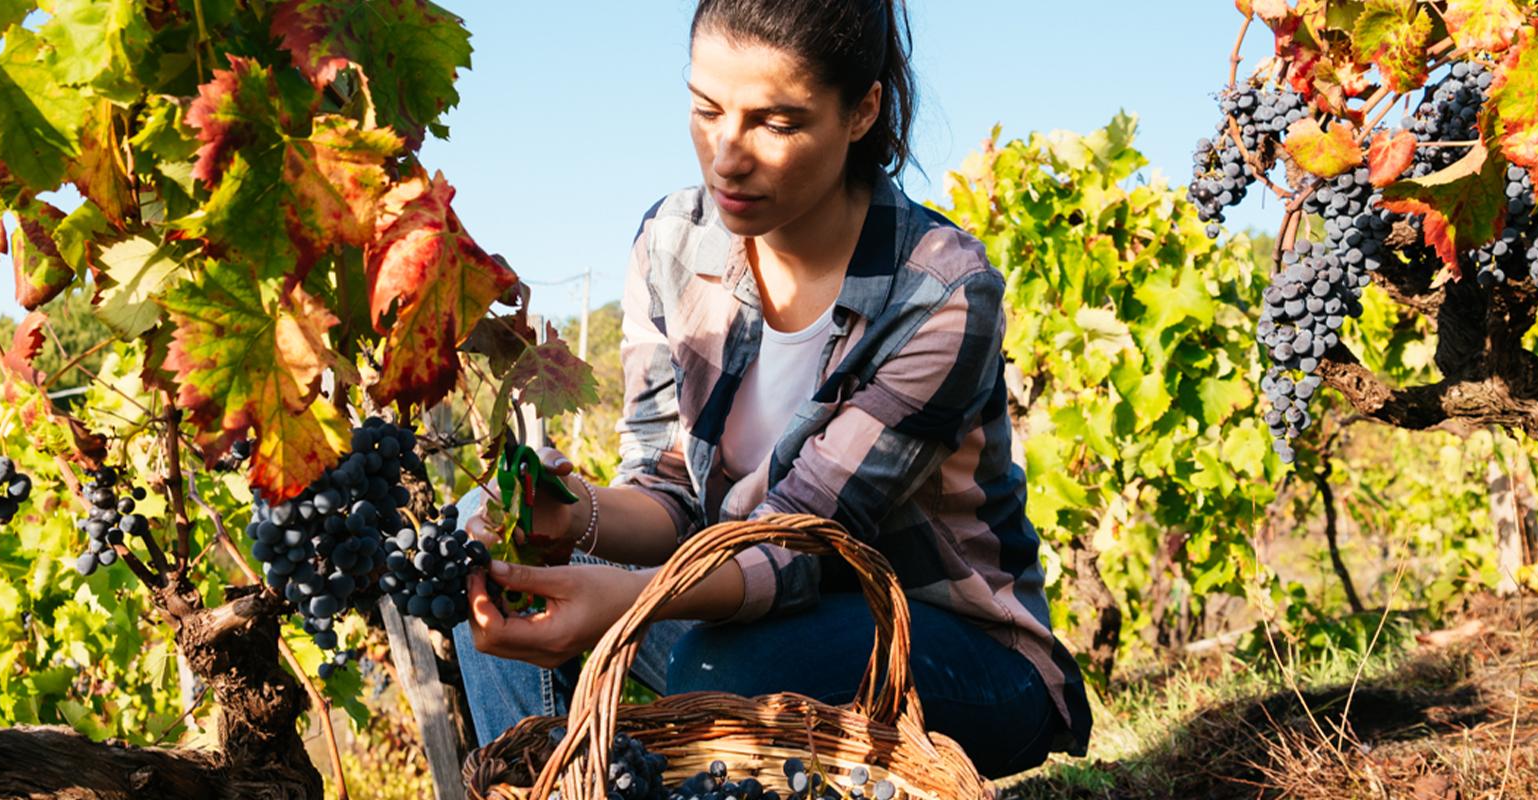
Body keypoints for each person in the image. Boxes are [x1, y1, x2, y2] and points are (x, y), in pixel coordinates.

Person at [451, 0, 1091, 778]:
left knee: (721, 675)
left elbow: (801, 548)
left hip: (953, 648)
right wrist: (572, 515)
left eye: (776, 124)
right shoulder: (672, 242)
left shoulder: (942, 294)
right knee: (482, 545)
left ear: (862, 111)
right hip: (744, 604)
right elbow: (670, 490)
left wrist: (625, 606)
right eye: (705, 109)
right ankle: (549, 787)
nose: (727, 156)